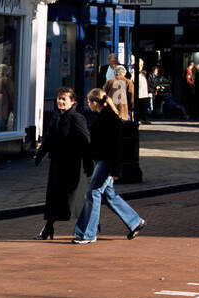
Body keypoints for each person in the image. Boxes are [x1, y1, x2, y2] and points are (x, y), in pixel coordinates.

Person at [73, 89, 145, 244]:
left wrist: (115, 169)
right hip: (103, 161)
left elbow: (116, 146)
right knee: (108, 195)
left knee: (93, 193)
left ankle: (87, 234)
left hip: (107, 162)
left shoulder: (110, 119)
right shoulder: (104, 117)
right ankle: (134, 221)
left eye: (89, 102)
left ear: (95, 103)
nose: (88, 104)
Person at [34, 87, 90, 240]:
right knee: (54, 196)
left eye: (64, 99)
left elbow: (85, 140)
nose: (60, 101)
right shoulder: (56, 117)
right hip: (57, 163)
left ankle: (88, 227)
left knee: (74, 198)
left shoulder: (76, 118)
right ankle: (48, 228)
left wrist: (88, 162)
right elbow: (49, 138)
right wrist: (40, 154)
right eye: (59, 98)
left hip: (72, 164)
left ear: (73, 102)